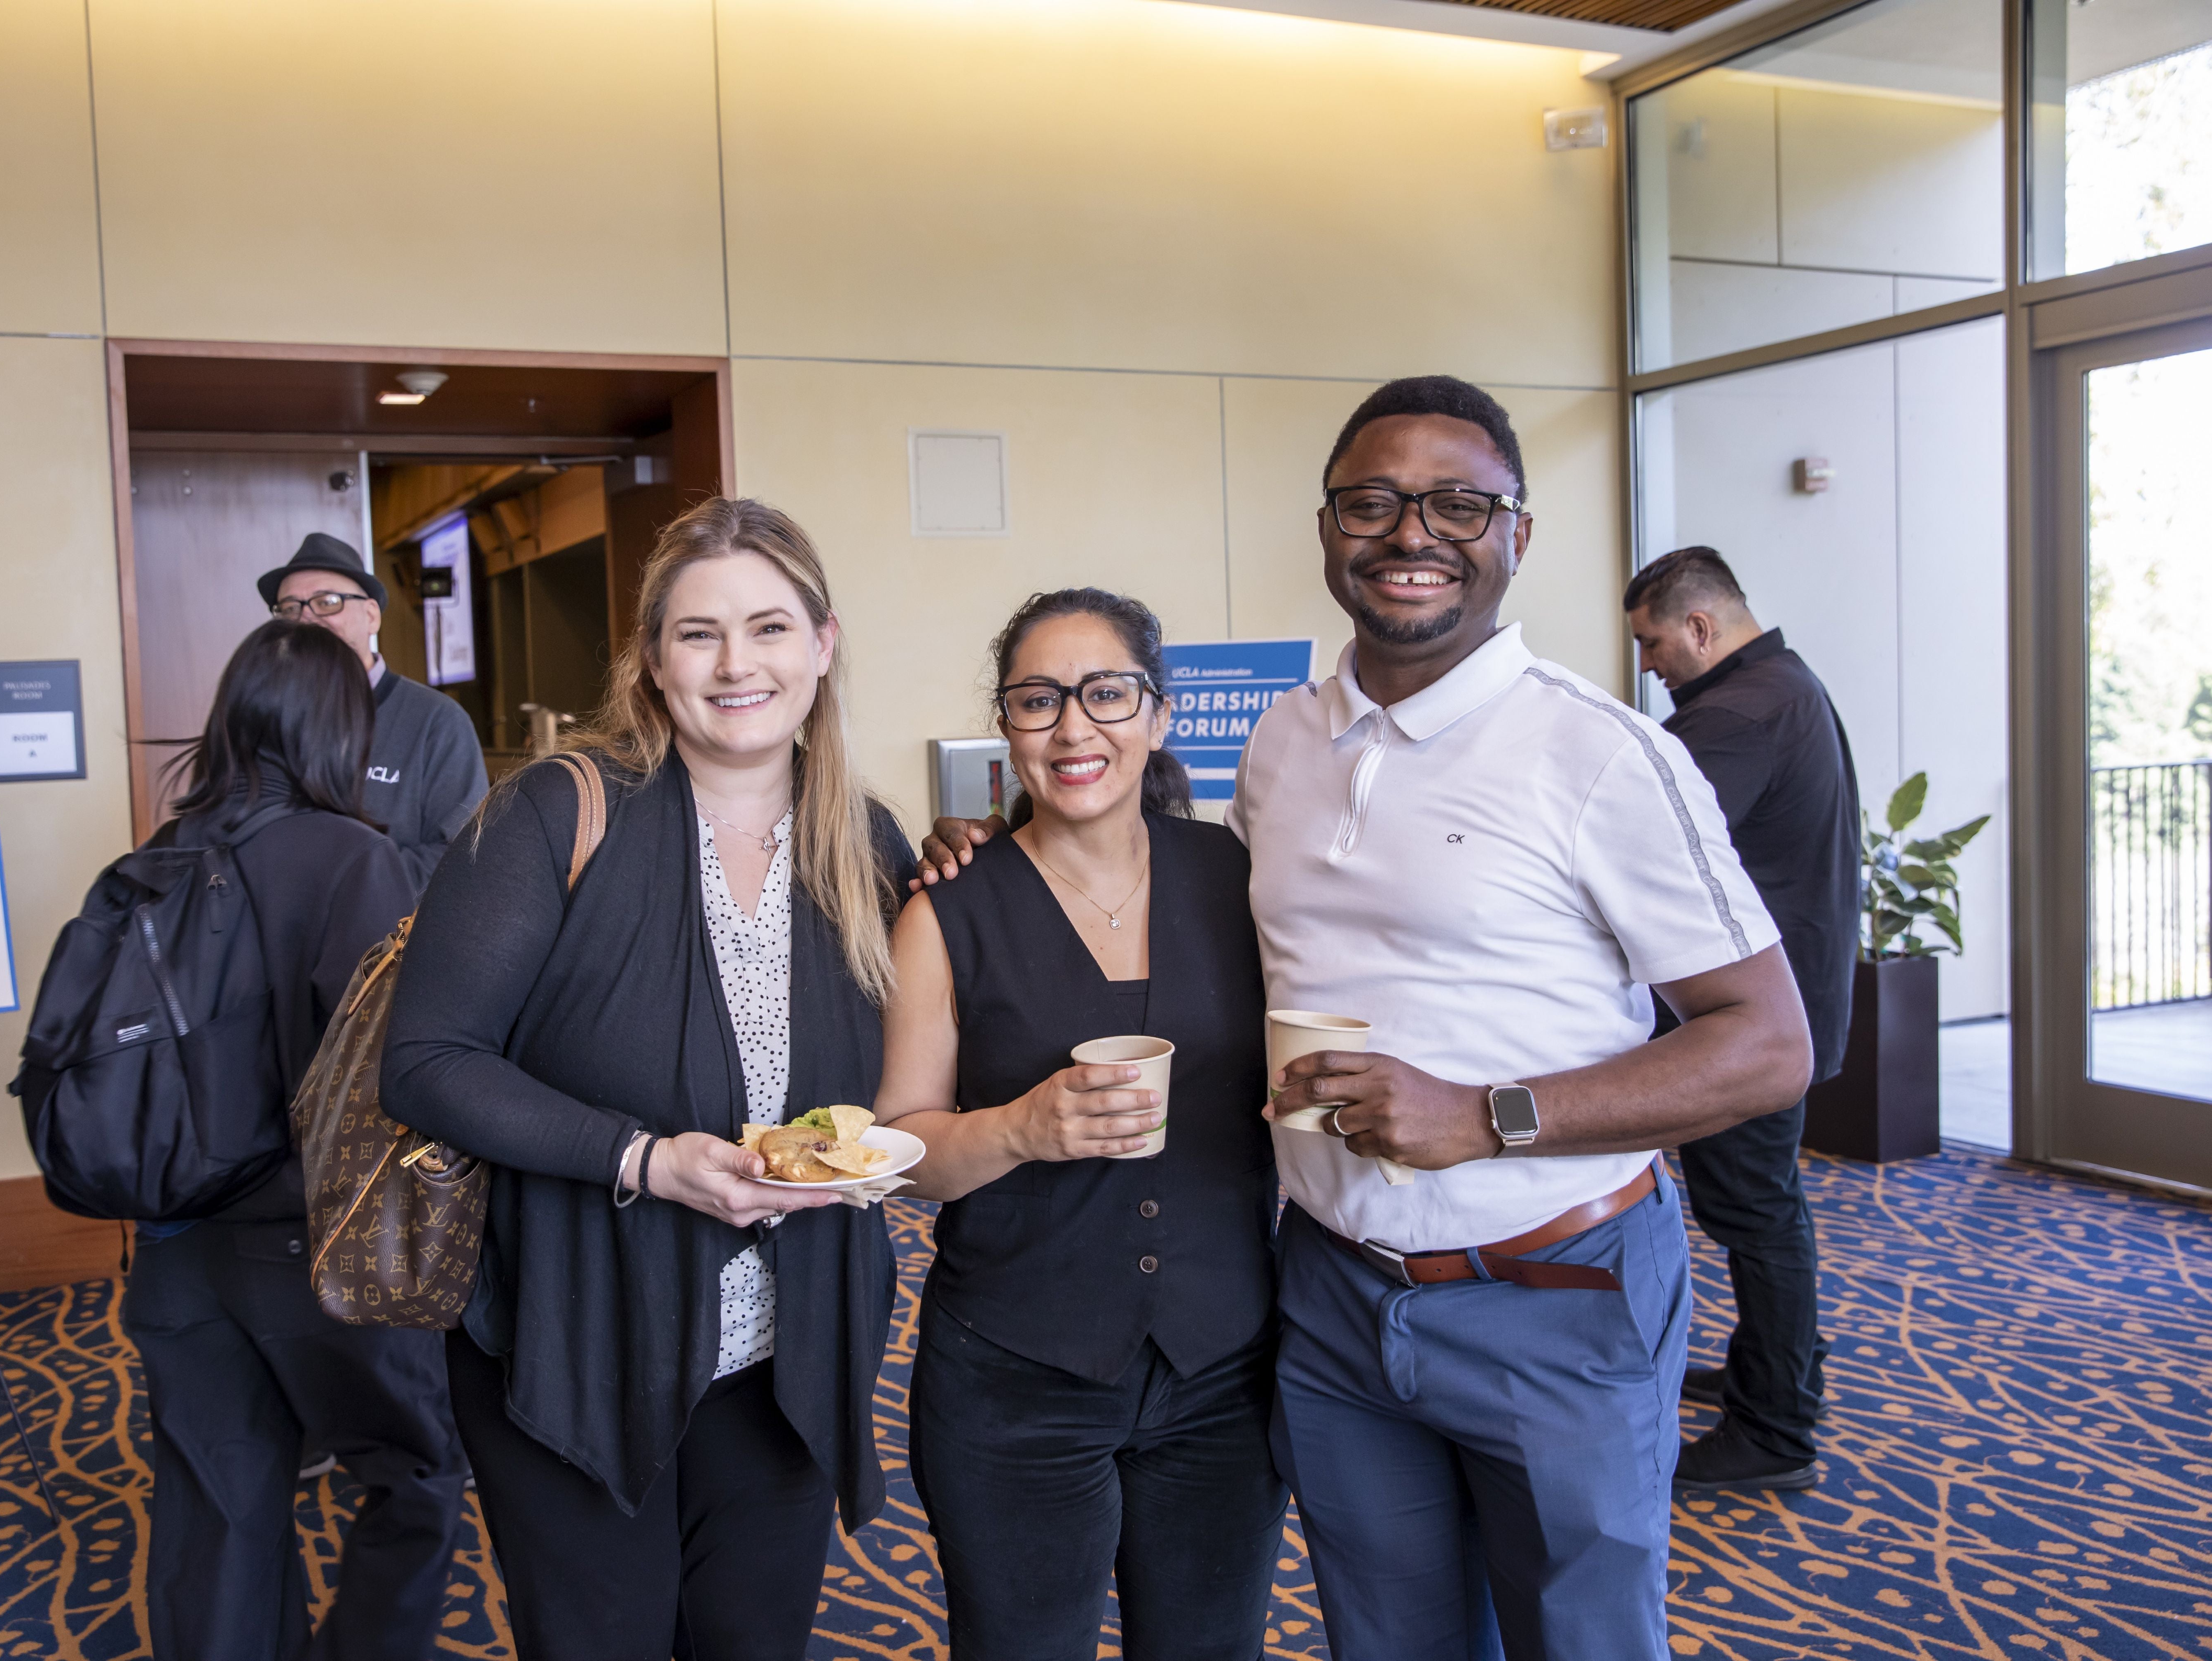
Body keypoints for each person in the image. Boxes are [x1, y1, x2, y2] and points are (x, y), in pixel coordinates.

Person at [923, 379, 1817, 1656]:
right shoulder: (1285, 743)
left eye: (1460, 505)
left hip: (1552, 1293)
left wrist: (1491, 1116)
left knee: (1583, 1641)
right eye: (1373, 503)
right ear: (1328, 528)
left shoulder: (1602, 754)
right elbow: (1172, 911)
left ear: (1519, 534)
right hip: (1331, 1300)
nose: (1412, 534)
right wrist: (998, 850)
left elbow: (1770, 1044)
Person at [379, 497, 912, 1661]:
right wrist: (645, 1160)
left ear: (823, 645)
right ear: (653, 661)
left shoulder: (868, 846)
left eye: (770, 629)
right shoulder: (557, 813)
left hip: (788, 1355)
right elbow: (425, 1063)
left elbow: (918, 1076)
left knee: (754, 1642)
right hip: (582, 1335)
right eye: (699, 634)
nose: (737, 666)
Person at [876, 589, 1286, 1661]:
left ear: (1159, 714)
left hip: (1224, 1364)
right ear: (1005, 726)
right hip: (1014, 1374)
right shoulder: (948, 909)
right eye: (1038, 699)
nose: (1072, 728)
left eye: (1106, 694)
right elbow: (902, 1148)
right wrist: (1020, 1129)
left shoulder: (1240, 881)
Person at [124, 620, 469, 1661]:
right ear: (340, 730)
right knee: (417, 1473)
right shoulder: (352, 859)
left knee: (217, 1506)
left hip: (175, 1244)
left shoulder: (155, 858)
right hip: (316, 1249)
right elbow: (398, 1065)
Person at [1625, 546, 1860, 1492]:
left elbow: (1638, 850)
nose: (1649, 664)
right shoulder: (1787, 686)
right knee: (1765, 1207)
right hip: (1785, 998)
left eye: (1653, 643)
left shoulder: (1737, 716)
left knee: (1755, 1214)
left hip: (1744, 1018)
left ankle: (1776, 1429)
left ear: (1700, 627)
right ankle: (1773, 1373)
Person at [257, 531, 488, 885]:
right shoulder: (263, 719)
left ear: (371, 617)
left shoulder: (436, 721)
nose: (305, 619)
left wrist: (332, 885)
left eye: (328, 602)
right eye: (290, 608)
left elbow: (461, 859)